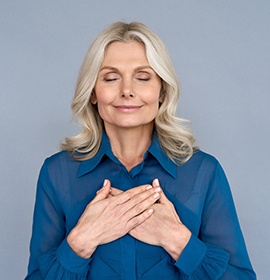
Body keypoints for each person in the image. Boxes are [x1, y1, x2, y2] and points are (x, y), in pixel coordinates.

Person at [25, 21, 256, 279]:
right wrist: (81, 240)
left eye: (143, 78)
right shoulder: (57, 173)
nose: (127, 91)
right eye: (111, 78)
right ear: (92, 92)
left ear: (162, 91)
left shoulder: (203, 171)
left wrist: (177, 239)